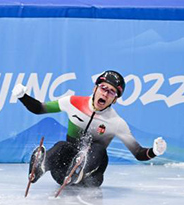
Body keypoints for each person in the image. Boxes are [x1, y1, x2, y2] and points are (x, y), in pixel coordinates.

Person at [13, 70, 167, 189]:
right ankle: (40, 168)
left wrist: (154, 151)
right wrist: (23, 97)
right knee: (62, 146)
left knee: (99, 149)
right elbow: (40, 108)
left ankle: (81, 170)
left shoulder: (116, 122)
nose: (105, 93)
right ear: (95, 88)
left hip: (91, 178)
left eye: (111, 92)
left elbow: (138, 153)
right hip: (63, 173)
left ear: (115, 99)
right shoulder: (73, 102)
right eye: (103, 88)